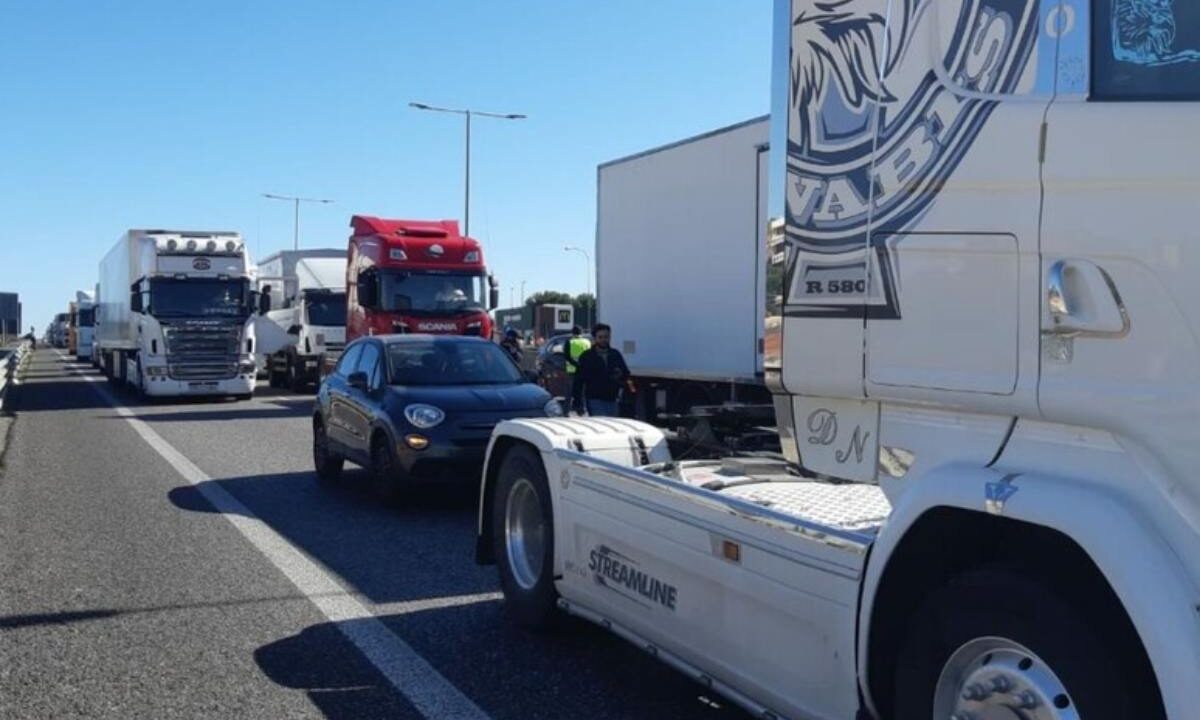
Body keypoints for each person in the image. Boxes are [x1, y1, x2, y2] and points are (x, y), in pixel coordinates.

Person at [571, 323, 630, 417]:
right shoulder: (587, 356)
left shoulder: (615, 354)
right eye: (600, 337)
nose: (603, 340)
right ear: (595, 338)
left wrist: (619, 377)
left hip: (612, 399)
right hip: (594, 399)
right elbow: (578, 381)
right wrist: (578, 403)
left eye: (606, 337)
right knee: (601, 426)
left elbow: (626, 373)